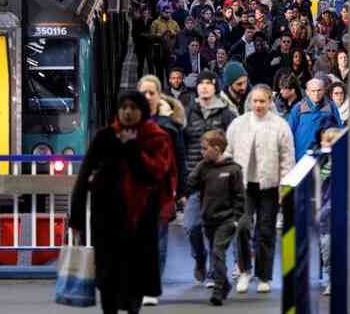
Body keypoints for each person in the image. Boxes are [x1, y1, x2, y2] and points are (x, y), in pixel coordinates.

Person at [70, 91, 176, 314]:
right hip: (107, 220)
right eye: (123, 107)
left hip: (140, 220)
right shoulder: (105, 137)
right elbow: (84, 175)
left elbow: (157, 171)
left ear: (143, 111)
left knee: (135, 279)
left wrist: (132, 148)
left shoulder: (155, 138)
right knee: (108, 278)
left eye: (133, 108)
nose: (127, 112)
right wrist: (76, 216)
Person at [225, 84, 296, 294]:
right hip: (243, 185)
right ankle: (245, 270)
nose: (258, 104)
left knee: (265, 230)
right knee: (242, 226)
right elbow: (228, 152)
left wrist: (285, 186)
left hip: (270, 186)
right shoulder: (238, 124)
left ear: (269, 102)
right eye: (255, 101)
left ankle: (264, 275)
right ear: (250, 102)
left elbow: (287, 158)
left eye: (262, 101)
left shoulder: (280, 125)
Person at [182, 71, 237, 286]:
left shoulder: (226, 114)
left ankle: (215, 271)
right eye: (201, 83)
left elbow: (233, 144)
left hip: (219, 180)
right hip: (195, 179)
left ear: (215, 87)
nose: (204, 87)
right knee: (191, 225)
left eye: (208, 83)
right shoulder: (188, 112)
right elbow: (181, 146)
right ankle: (200, 259)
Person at [137, 75, 187, 306]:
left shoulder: (170, 126)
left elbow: (180, 160)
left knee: (158, 240)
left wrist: (183, 191)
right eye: (144, 93)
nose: (147, 97)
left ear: (159, 95)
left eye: (151, 93)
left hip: (161, 192)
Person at [187, 129, 245, 306]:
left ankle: (218, 290)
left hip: (226, 220)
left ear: (217, 148)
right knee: (215, 254)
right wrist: (198, 168)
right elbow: (190, 184)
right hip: (208, 219)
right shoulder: (203, 167)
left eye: (205, 149)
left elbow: (239, 196)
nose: (202, 152)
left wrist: (236, 218)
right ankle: (225, 283)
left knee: (218, 253)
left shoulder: (233, 170)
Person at [288, 78, 343, 161]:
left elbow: (339, 130)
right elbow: (289, 133)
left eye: (319, 90)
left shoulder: (331, 106)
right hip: (301, 156)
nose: (316, 94)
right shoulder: (298, 108)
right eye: (313, 91)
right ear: (307, 92)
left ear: (324, 91)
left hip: (324, 156)